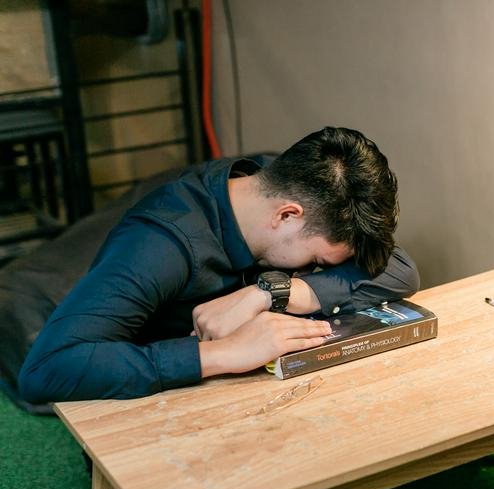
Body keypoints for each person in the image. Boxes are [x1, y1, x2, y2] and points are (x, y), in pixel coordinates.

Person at [18, 127, 419, 403]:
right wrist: (224, 353)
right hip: (152, 412)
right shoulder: (159, 245)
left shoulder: (281, 180)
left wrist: (268, 292)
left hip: (253, 397)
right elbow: (46, 369)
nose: (315, 267)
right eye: (316, 260)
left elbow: (401, 268)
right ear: (286, 216)